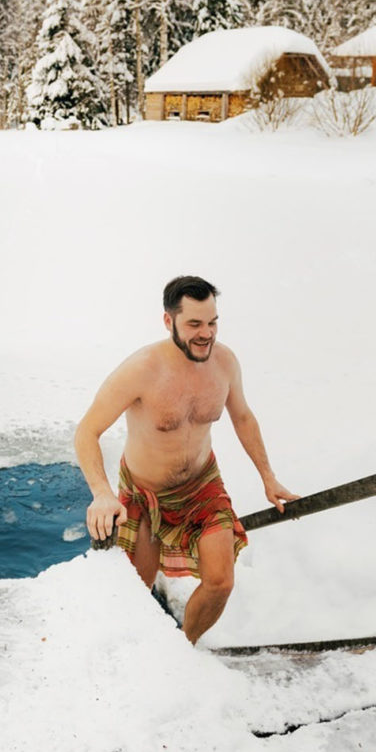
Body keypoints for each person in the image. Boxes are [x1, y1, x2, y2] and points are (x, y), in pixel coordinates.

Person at [74, 275, 298, 645]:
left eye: (212, 322)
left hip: (201, 487)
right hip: (145, 491)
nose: (205, 333)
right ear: (169, 321)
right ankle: (133, 656)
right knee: (135, 589)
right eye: (194, 324)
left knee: (221, 582)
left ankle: (182, 647)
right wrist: (101, 492)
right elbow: (87, 432)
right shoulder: (141, 369)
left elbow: (243, 416)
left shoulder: (224, 363)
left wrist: (268, 477)